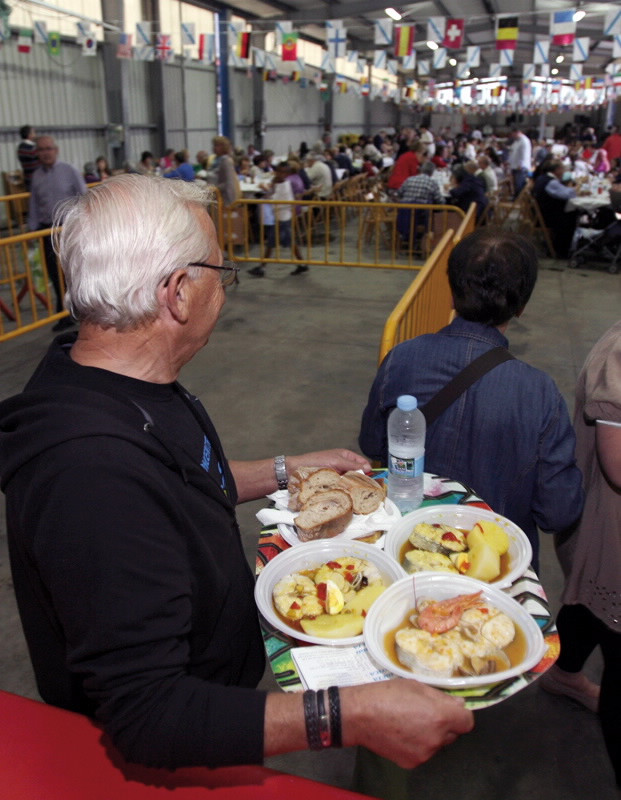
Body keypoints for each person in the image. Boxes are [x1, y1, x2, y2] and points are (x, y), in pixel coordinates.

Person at [0, 174, 472, 773]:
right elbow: (152, 716)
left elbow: (184, 481)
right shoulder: (91, 475)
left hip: (219, 680)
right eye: (219, 275)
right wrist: (351, 714)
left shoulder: (109, 375)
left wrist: (284, 470)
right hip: (180, 743)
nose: (225, 290)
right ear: (176, 293)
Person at [359, 228, 584, 570]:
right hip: (493, 570)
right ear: (521, 306)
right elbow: (558, 511)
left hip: (404, 553)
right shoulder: (540, 392)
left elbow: (372, 443)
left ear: (451, 292)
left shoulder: (401, 358)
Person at [543, 320, 621, 787]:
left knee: (589, 604)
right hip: (607, 529)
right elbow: (617, 463)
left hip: (601, 537)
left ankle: (564, 673)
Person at [28, 135, 87, 331]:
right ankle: (64, 312)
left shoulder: (69, 171)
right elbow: (34, 204)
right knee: (55, 274)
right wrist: (32, 228)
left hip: (68, 229)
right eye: (41, 150)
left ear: (56, 150)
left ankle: (82, 308)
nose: (45, 153)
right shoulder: (36, 176)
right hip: (47, 230)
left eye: (48, 148)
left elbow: (84, 197)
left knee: (73, 271)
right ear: (37, 153)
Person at [248, 161, 307, 277]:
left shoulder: (285, 185)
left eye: (283, 172)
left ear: (287, 173)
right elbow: (273, 194)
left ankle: (262, 267)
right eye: (278, 171)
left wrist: (266, 194)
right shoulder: (278, 182)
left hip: (283, 218)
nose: (279, 174)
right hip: (280, 216)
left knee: (278, 242)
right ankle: (301, 264)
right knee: (278, 242)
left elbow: (276, 200)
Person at [532, 158, 578, 259]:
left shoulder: (542, 178)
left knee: (572, 211)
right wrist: (575, 190)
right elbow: (566, 194)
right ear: (557, 170)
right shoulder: (551, 182)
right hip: (547, 217)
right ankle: (562, 250)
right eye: (562, 169)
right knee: (573, 215)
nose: (563, 172)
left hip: (541, 213)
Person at [209, 136, 239, 207]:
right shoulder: (215, 160)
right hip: (215, 197)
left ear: (224, 147)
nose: (214, 147)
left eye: (217, 145)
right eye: (214, 145)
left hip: (224, 199)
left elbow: (229, 182)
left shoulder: (226, 161)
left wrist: (214, 188)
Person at [507, 126, 532, 198]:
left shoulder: (524, 141)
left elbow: (524, 154)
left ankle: (519, 200)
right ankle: (515, 197)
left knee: (519, 185)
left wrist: (520, 164)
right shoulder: (516, 141)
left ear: (518, 132)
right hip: (514, 166)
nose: (512, 136)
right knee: (515, 185)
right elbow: (512, 152)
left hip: (521, 167)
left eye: (513, 134)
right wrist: (509, 162)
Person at [16, 124, 39, 190]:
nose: (35, 135)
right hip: (32, 179)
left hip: (38, 179)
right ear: (29, 135)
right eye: (34, 132)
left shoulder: (33, 146)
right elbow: (34, 154)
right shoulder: (24, 147)